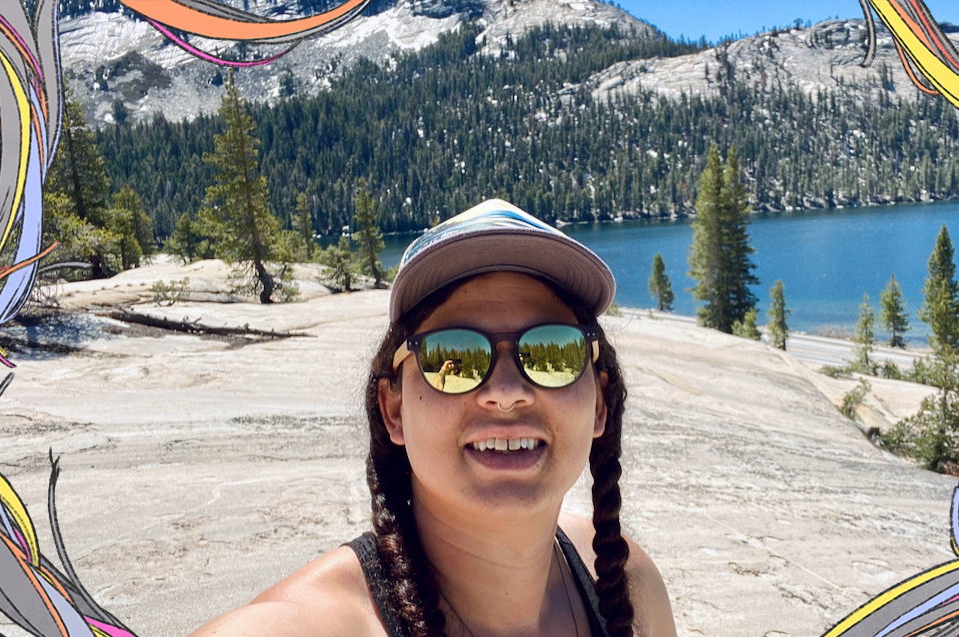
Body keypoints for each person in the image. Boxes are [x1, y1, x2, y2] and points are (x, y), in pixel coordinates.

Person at [190, 199, 676, 637]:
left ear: (599, 403)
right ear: (394, 409)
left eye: (554, 355)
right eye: (454, 358)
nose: (506, 394)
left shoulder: (627, 584)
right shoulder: (314, 625)